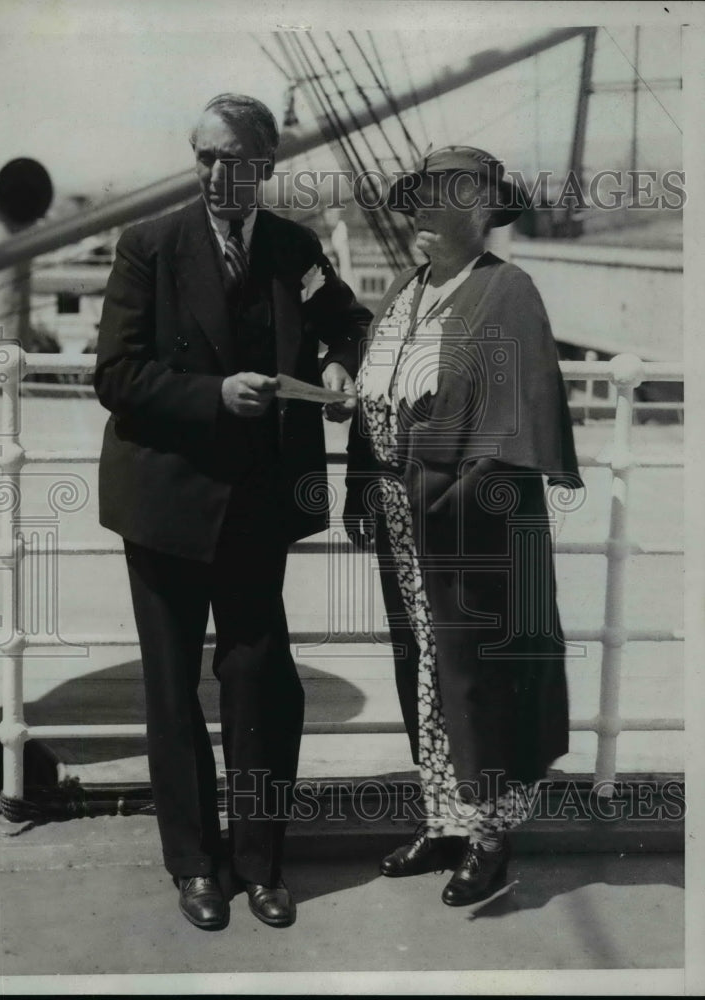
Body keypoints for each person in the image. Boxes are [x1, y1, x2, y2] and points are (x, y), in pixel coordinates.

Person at [94, 93, 371, 930]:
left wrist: (338, 364)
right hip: (165, 502)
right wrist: (213, 394)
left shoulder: (294, 248)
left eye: (234, 161)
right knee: (172, 690)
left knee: (262, 683)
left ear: (265, 167)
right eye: (204, 157)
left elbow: (349, 321)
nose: (216, 174)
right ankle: (194, 866)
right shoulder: (150, 246)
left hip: (257, 505)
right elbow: (116, 375)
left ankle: (260, 864)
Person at [344, 145, 583, 907]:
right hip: (402, 516)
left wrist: (457, 496)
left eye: (436, 198)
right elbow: (373, 395)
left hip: (469, 524)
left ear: (479, 211)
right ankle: (443, 818)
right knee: (425, 666)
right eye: (415, 197)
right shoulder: (408, 290)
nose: (417, 210)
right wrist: (361, 486)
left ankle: (489, 837)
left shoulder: (506, 291)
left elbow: (520, 417)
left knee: (478, 673)